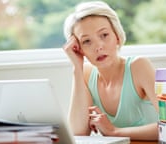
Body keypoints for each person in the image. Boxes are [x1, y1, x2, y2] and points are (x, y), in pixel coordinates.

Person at [62, 1, 159, 141]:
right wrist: (77, 68)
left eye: (104, 35)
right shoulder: (86, 74)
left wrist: (114, 132)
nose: (98, 46)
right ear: (79, 49)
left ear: (117, 36)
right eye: (87, 41)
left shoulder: (139, 66)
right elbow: (78, 133)